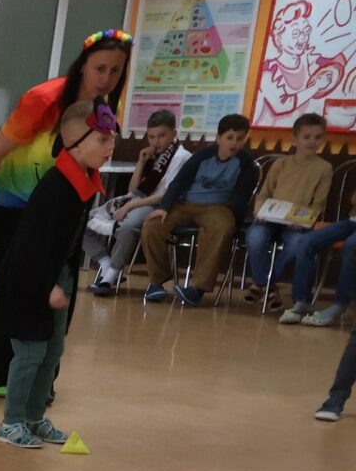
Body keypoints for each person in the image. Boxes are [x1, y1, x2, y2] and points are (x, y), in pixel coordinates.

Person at [0, 28, 132, 393]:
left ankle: (42, 378)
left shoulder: (106, 110)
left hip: (62, 212)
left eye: (116, 71)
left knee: (60, 291)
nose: (106, 78)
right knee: (11, 288)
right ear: (83, 65)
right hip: (10, 205)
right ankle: (1, 375)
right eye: (100, 68)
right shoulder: (44, 99)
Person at [0, 102, 117, 449]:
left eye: (112, 139)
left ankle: (33, 417)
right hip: (28, 280)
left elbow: (66, 243)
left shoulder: (82, 181)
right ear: (75, 144)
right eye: (102, 139)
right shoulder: (56, 188)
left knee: (52, 351)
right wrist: (48, 286)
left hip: (56, 276)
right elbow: (31, 246)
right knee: (29, 353)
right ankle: (11, 423)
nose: (110, 146)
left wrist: (64, 280)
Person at [140, 113, 255, 307]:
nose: (234, 143)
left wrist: (235, 222)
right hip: (185, 204)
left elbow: (242, 196)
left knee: (222, 228)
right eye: (229, 137)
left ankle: (197, 289)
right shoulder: (202, 156)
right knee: (152, 225)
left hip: (217, 207)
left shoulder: (246, 163)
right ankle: (157, 282)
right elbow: (179, 182)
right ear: (218, 138)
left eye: (240, 138)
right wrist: (164, 207)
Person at [85, 109, 187, 297]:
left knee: (129, 224)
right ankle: (106, 264)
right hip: (140, 200)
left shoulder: (181, 156)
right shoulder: (153, 155)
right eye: (151, 137)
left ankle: (110, 276)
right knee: (83, 220)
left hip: (161, 205)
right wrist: (141, 162)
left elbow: (166, 195)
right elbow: (133, 190)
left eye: (162, 136)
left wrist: (129, 206)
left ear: (174, 133)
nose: (156, 142)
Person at [241, 112, 330, 307]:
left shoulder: (324, 168)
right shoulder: (281, 164)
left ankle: (263, 282)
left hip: (296, 222)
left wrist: (304, 220)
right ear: (295, 138)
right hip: (270, 218)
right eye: (307, 137)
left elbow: (318, 203)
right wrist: (259, 211)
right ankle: (269, 285)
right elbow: (264, 193)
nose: (312, 141)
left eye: (317, 137)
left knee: (298, 244)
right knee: (255, 237)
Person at [280, 181, 356, 326]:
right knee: (305, 241)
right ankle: (302, 301)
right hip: (352, 221)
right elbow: (353, 199)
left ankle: (340, 304)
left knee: (351, 246)